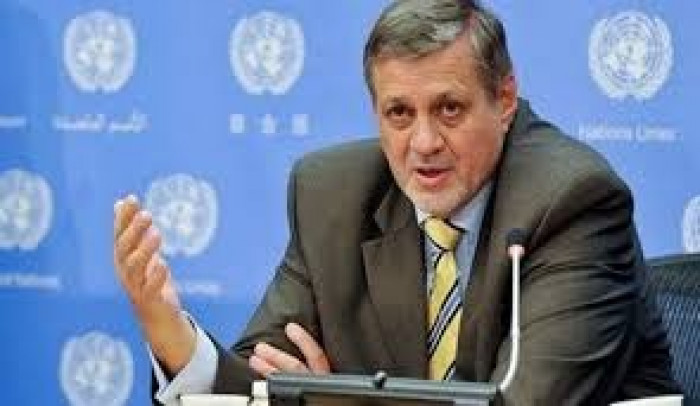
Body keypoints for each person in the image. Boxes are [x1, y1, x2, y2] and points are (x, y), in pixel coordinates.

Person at [113, 0, 679, 404]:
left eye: (450, 109)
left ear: (504, 99)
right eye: (400, 113)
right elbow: (262, 386)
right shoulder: (331, 196)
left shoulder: (572, 202)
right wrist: (176, 340)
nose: (424, 143)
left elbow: (521, 402)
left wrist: (340, 400)